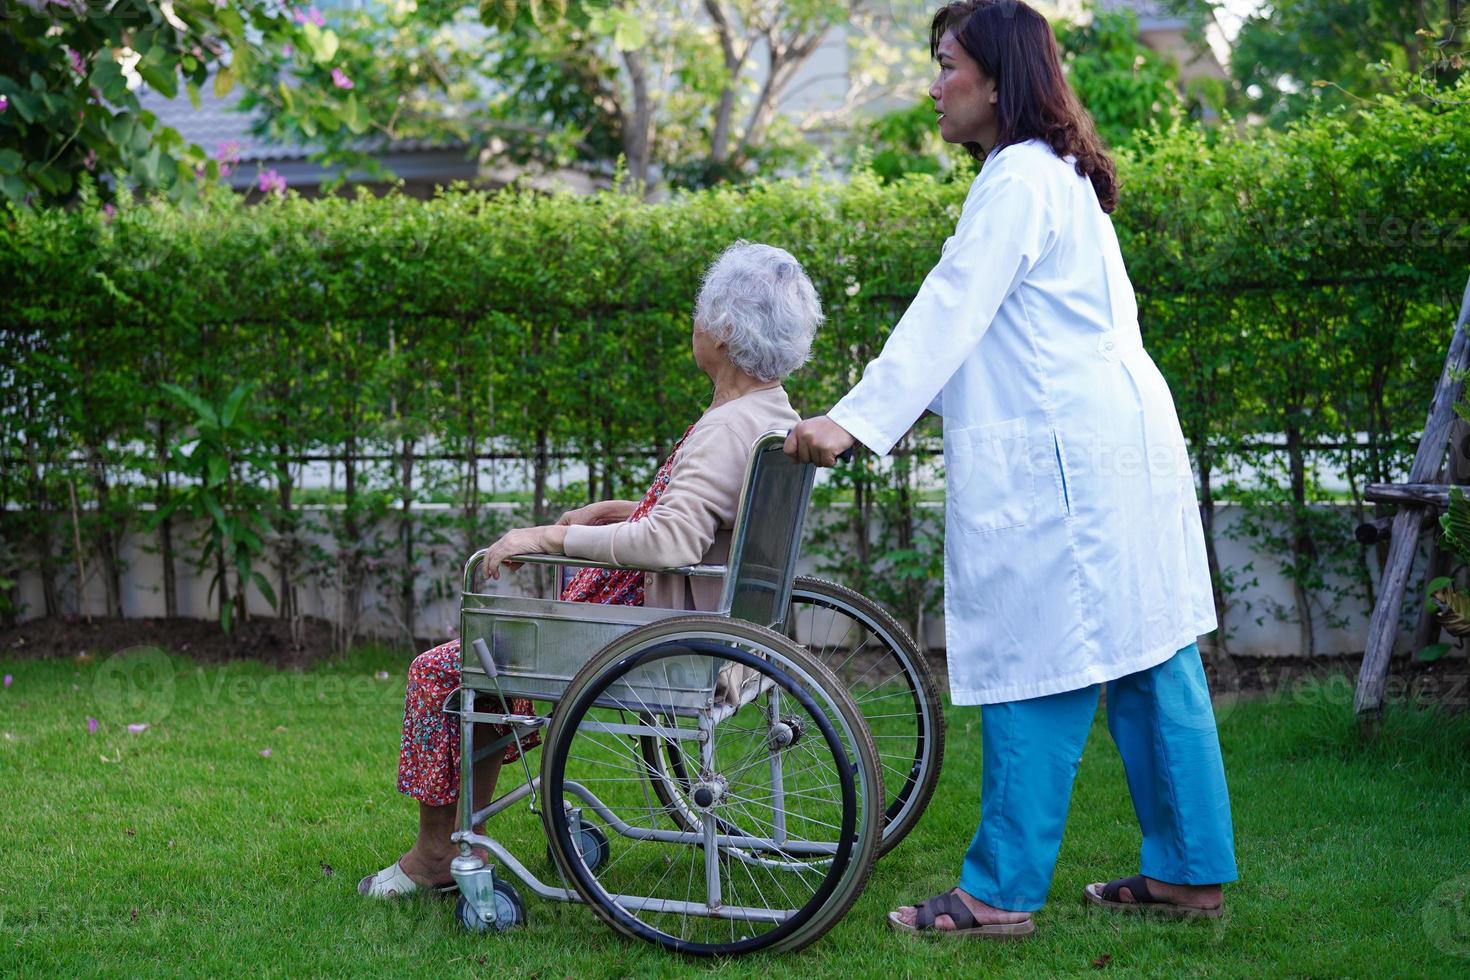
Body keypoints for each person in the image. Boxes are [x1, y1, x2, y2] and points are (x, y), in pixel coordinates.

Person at [786, 0, 1237, 939]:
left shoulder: (1019, 179)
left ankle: (997, 893)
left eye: (947, 63)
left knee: (1040, 657)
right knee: (1152, 656)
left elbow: (951, 308)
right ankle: (1190, 875)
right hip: (1120, 448)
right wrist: (875, 416)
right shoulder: (1052, 175)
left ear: (999, 79)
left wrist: (854, 421)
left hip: (1069, 460)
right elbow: (994, 338)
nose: (935, 83)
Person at [360, 241, 818, 898]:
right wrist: (615, 511)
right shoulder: (770, 414)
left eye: (700, 314)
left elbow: (671, 540)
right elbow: (710, 526)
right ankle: (481, 832)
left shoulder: (724, 427)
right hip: (711, 627)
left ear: (721, 331)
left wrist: (546, 535)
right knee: (488, 668)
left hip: (651, 637)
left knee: (441, 675)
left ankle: (438, 857)